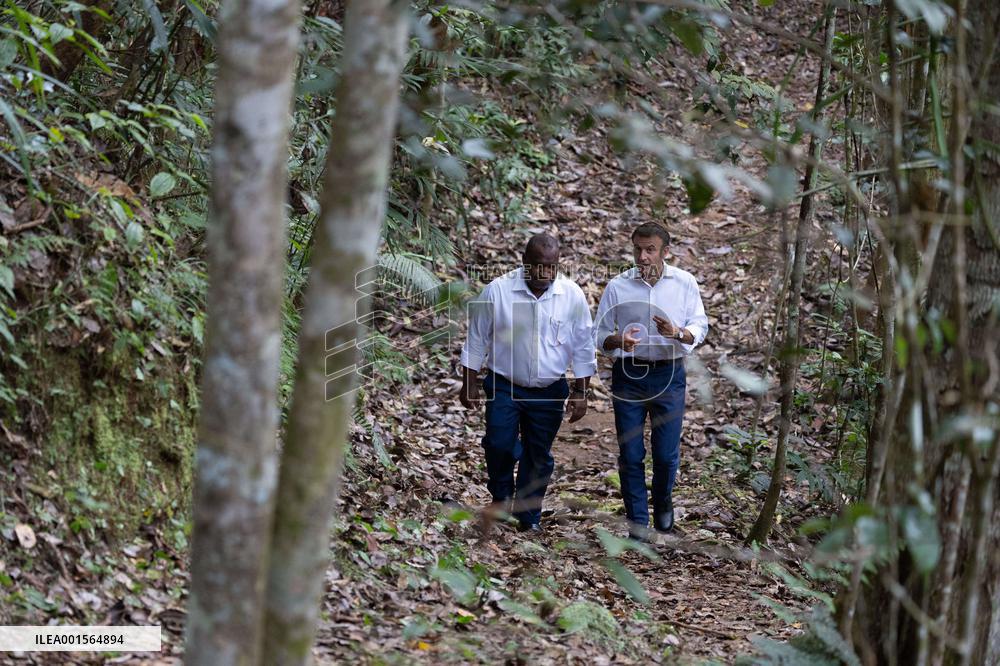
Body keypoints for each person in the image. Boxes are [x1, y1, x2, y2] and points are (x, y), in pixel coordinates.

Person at [458, 233, 596, 532]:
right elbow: (476, 338)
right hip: (505, 384)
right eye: (538, 266)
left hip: (549, 389)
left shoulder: (571, 296)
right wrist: (468, 382)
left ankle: (528, 515)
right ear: (524, 263)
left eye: (551, 267)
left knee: (537, 454)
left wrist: (581, 391)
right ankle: (502, 495)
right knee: (498, 443)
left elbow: (583, 346)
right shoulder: (498, 291)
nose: (545, 274)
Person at [594, 222, 708, 538]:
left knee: (666, 455)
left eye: (650, 250)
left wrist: (679, 333)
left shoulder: (684, 284)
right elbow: (598, 333)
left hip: (669, 374)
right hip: (629, 376)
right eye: (637, 249)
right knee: (630, 453)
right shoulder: (618, 286)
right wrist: (618, 341)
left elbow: (700, 324)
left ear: (665, 252)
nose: (642, 257)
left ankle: (664, 513)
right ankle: (637, 525)